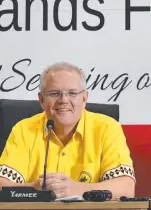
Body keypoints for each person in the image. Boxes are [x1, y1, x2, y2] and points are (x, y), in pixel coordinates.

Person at [0, 62, 135, 199]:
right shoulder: (24, 130)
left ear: (84, 98)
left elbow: (126, 188)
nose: (63, 100)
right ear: (41, 100)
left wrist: (76, 189)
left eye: (72, 93)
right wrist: (36, 189)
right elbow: (2, 184)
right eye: (54, 93)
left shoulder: (107, 128)